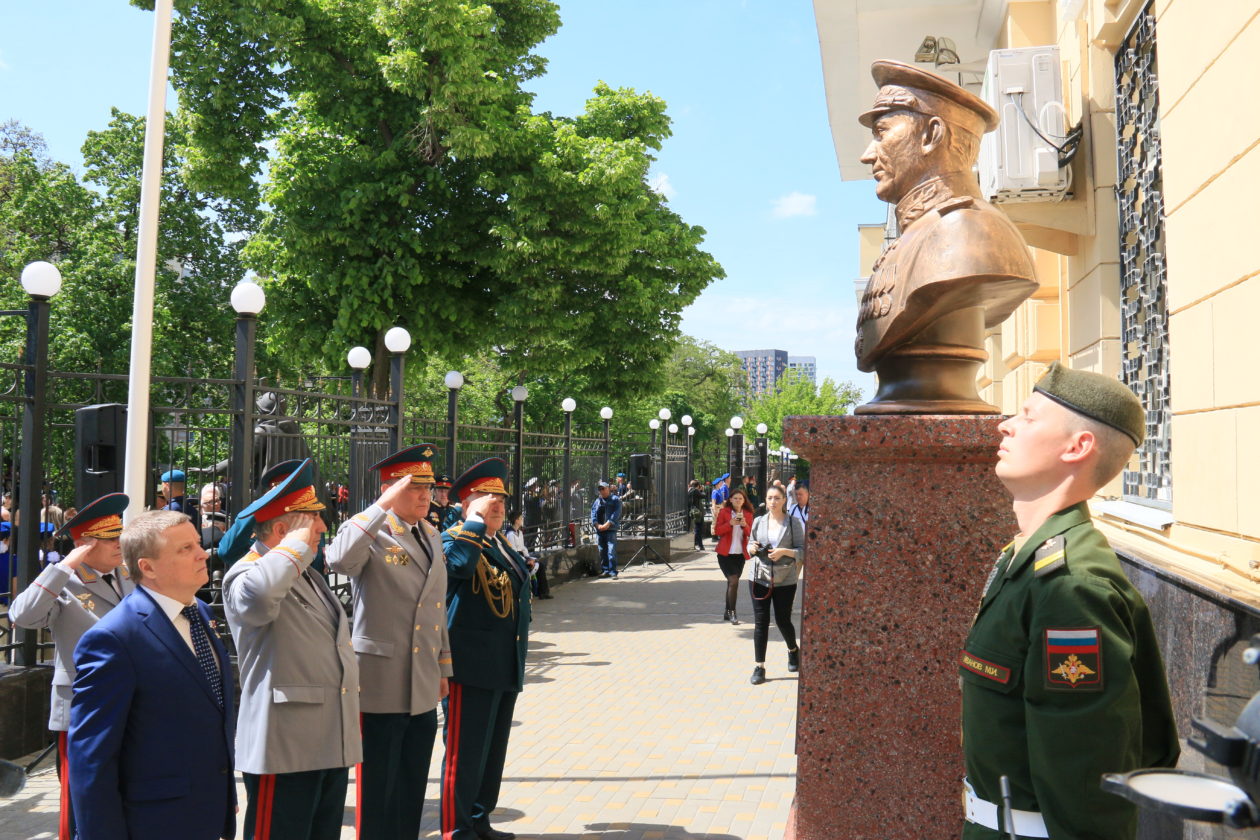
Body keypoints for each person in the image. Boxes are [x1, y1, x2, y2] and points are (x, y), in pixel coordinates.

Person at [961, 362, 1179, 839]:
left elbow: (1087, 788)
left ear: (1077, 447)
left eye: (1029, 416)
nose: (1005, 425)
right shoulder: (1024, 558)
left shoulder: (1073, 587)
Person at [69, 510, 236, 840]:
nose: (203, 554)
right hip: (152, 822)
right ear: (147, 567)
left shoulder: (199, 611)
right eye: (185, 549)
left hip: (206, 813)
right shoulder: (114, 638)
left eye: (198, 544)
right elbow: (92, 757)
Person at [222, 459, 360, 840]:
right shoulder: (247, 572)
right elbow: (260, 597)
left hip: (330, 738)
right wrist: (294, 547)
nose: (322, 528)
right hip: (284, 745)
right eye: (312, 522)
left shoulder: (307, 573)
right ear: (282, 530)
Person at [325, 444, 453, 840]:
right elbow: (339, 560)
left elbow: (436, 609)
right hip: (381, 679)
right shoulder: (371, 530)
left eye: (427, 488)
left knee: (412, 780)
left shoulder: (430, 534)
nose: (425, 496)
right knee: (379, 784)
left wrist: (443, 668)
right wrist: (379, 506)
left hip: (422, 678)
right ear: (389, 490)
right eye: (413, 487)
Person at [9, 493, 132, 840]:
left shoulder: (127, 574)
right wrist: (63, 567)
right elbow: (22, 616)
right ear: (84, 544)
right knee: (82, 801)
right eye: (109, 538)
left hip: (130, 701)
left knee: (123, 793)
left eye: (118, 536)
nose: (118, 544)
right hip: (82, 707)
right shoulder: (62, 583)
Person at [441, 458, 532, 840]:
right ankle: (456, 828)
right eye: (487, 499)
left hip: (502, 662)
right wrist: (474, 522)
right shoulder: (452, 537)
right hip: (469, 664)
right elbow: (458, 567)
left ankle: (479, 819)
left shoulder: (500, 542)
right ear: (467, 503)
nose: (498, 505)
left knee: (491, 752)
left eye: (501, 500)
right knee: (464, 754)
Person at [745, 485, 805, 686]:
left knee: (782, 619)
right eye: (770, 498)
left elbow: (802, 551)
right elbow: (750, 543)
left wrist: (784, 552)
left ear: (784, 500)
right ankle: (759, 666)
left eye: (777, 498)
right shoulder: (758, 521)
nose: (773, 502)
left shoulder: (792, 522)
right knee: (761, 622)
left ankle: (793, 650)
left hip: (785, 579)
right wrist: (752, 547)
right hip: (759, 577)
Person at [713, 487, 753, 625]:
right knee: (734, 581)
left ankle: (726, 610)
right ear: (730, 499)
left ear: (744, 501)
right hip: (725, 554)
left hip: (739, 554)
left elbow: (750, 534)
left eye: (740, 499)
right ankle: (732, 612)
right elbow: (717, 531)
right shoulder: (724, 512)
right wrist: (729, 524)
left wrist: (744, 525)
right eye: (735, 498)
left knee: (732, 583)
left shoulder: (747, 514)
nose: (737, 501)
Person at [504, 510, 549, 599]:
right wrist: (526, 561)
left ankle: (543, 593)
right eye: (521, 518)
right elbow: (513, 552)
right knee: (538, 567)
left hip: (523, 557)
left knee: (541, 565)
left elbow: (523, 548)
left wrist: (529, 557)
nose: (522, 520)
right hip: (516, 561)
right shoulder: (510, 534)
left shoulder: (519, 532)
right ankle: (539, 593)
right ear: (516, 520)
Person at [590, 480, 622, 579]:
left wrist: (608, 523)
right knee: (602, 550)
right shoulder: (597, 501)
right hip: (600, 530)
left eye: (603, 489)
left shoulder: (615, 499)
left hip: (610, 529)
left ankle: (613, 572)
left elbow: (616, 513)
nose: (602, 491)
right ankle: (605, 570)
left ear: (608, 489)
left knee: (611, 550)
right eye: (600, 489)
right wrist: (596, 525)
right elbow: (593, 513)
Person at [686, 479, 707, 551]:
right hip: (697, 512)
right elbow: (703, 496)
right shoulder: (696, 490)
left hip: (691, 512)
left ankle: (695, 544)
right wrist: (702, 490)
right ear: (698, 486)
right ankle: (700, 545)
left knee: (694, 528)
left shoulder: (689, 490)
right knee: (698, 528)